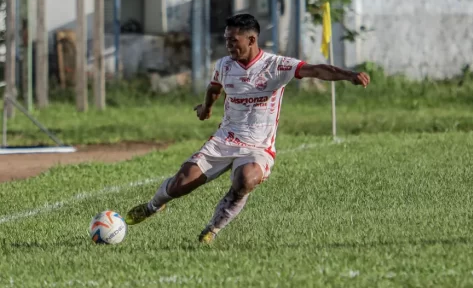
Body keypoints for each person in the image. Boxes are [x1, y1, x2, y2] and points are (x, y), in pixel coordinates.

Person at [125, 13, 370, 244]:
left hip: (258, 147)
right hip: (224, 140)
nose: (229, 46)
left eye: (233, 41)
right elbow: (214, 88)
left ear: (251, 39)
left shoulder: (276, 65)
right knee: (181, 183)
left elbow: (316, 69)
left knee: (245, 180)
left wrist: (349, 75)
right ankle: (152, 207)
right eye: (226, 40)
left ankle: (213, 229)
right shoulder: (224, 65)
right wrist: (206, 108)